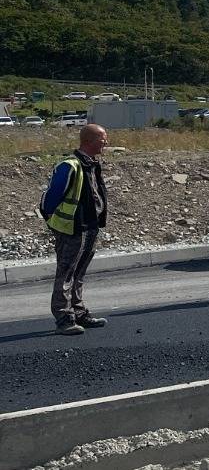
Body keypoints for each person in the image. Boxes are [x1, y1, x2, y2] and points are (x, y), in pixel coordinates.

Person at [39, 124, 111, 335]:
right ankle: (63, 318)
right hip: (72, 229)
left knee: (78, 273)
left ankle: (78, 313)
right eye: (102, 138)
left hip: (90, 227)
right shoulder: (70, 166)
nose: (105, 142)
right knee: (66, 273)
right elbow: (49, 198)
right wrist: (52, 220)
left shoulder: (91, 164)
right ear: (89, 140)